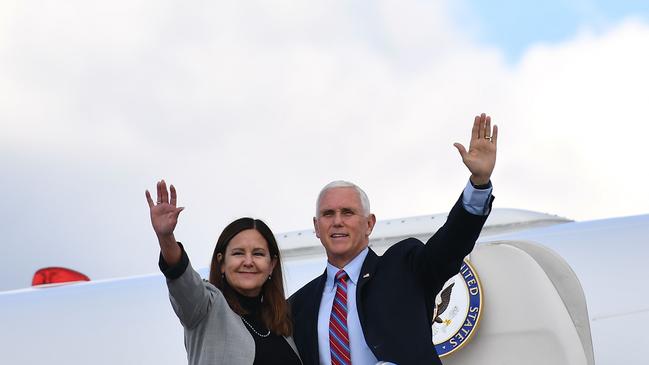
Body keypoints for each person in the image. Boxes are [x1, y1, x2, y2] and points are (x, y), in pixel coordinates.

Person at [289, 113, 498, 365]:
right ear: (316, 226)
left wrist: (478, 183)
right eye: (327, 214)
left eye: (348, 212)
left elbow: (450, 245)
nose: (337, 221)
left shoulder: (404, 268)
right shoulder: (299, 306)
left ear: (369, 223)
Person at [146, 181, 302, 365]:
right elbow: (183, 282)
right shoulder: (205, 309)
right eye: (238, 253)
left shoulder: (283, 323)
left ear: (272, 265)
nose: (248, 262)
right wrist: (166, 238)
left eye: (258, 254)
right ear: (221, 263)